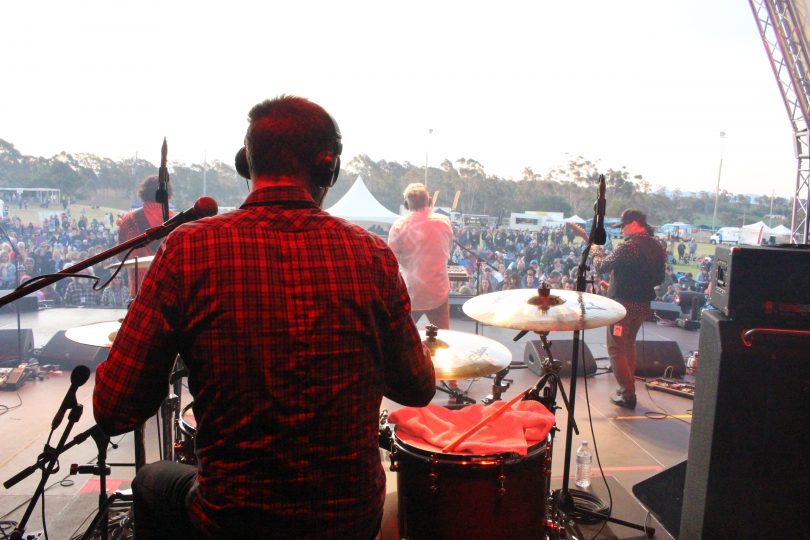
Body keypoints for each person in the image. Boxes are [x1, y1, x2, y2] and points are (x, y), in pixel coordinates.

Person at [93, 95, 436, 539]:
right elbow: (417, 388)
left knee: (152, 480)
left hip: (232, 520)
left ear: (246, 165)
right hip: (348, 519)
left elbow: (115, 409)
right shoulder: (369, 254)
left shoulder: (188, 249)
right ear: (327, 168)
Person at [593, 209, 666, 409]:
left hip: (623, 306)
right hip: (642, 305)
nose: (622, 230)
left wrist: (595, 254)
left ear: (634, 223)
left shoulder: (629, 247)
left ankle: (627, 393)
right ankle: (628, 388)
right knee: (629, 345)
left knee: (616, 349)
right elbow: (658, 278)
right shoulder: (657, 247)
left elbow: (602, 266)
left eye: (623, 226)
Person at [388, 182, 454, 329]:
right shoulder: (444, 221)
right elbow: (447, 249)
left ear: (406, 204)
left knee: (402, 340)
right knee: (444, 337)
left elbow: (391, 261)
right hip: (438, 292)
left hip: (411, 293)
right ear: (429, 201)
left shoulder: (399, 226)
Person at [116, 175, 174, 297]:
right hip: (168, 287)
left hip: (140, 288)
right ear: (167, 194)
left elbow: (121, 256)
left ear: (143, 193)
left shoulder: (128, 220)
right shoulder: (176, 220)